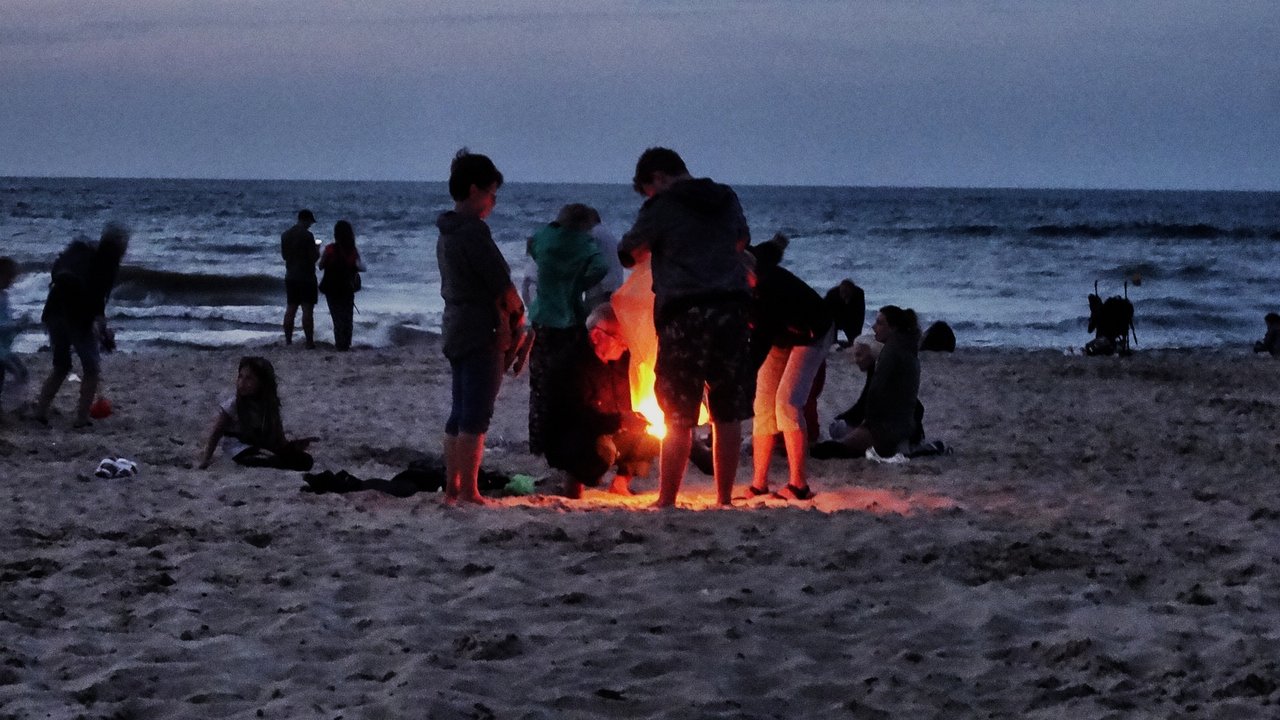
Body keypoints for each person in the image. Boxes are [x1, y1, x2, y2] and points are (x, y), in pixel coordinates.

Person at [618, 147, 754, 507]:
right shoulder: (726, 197)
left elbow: (629, 252)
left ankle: (667, 499)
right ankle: (724, 496)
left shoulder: (662, 205)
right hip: (732, 308)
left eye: (649, 190)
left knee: (677, 410)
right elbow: (741, 241)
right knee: (727, 407)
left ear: (658, 178)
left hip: (685, 312)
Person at [437, 149, 524, 505]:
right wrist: (517, 316)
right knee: (476, 412)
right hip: (479, 327)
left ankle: (453, 488)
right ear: (474, 190)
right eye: (490, 192)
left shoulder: (447, 232)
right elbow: (502, 286)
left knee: (460, 409)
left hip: (455, 324)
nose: (493, 200)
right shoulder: (473, 233)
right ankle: (469, 490)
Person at [741, 243, 834, 501]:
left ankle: (798, 485)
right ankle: (759, 484)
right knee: (763, 406)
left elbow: (760, 340)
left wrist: (742, 375)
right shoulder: (739, 285)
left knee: (787, 402)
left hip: (812, 332)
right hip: (780, 335)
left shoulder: (767, 288)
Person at [542, 304, 659, 498]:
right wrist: (620, 421)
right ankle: (573, 486)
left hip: (610, 429)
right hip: (574, 436)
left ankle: (621, 484)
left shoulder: (619, 363)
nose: (624, 345)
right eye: (620, 339)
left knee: (651, 434)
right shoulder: (571, 365)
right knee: (599, 448)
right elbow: (576, 416)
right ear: (597, 336)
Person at [526, 203, 609, 457]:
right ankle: (564, 439)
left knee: (540, 382)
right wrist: (580, 281)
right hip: (571, 317)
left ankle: (539, 441)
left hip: (542, 316)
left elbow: (531, 245)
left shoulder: (543, 237)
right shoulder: (585, 245)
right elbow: (601, 268)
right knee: (570, 383)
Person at [32, 224, 129, 428]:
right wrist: (103, 333)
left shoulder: (79, 254)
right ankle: (82, 418)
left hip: (53, 311)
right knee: (91, 368)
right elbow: (97, 302)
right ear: (119, 247)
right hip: (77, 318)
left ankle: (40, 412)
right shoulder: (106, 264)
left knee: (61, 366)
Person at [811, 307, 921, 458]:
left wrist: (866, 425)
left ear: (893, 328)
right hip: (900, 425)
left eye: (880, 323)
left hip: (885, 430)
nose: (874, 327)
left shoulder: (891, 353)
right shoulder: (906, 348)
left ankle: (907, 448)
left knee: (830, 449)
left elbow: (876, 394)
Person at [198, 356, 314, 470]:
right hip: (239, 448)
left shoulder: (269, 405)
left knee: (306, 460)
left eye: (249, 378)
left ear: (262, 383)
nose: (242, 382)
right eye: (240, 377)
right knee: (259, 459)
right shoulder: (234, 404)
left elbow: (279, 437)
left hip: (261, 446)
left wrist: (292, 447)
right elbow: (216, 433)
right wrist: (206, 458)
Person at [318, 220, 365, 351]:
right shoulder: (352, 250)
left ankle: (339, 343)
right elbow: (361, 267)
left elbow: (320, 266)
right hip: (347, 288)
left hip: (331, 288)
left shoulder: (330, 249)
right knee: (347, 317)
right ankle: (347, 343)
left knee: (336, 316)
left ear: (335, 234)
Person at [281, 209, 320, 348]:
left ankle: (288, 340)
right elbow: (312, 258)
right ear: (306, 220)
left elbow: (284, 256)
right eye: (310, 222)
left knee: (291, 308)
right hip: (306, 276)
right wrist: (318, 250)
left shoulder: (285, 235)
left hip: (291, 275)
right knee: (307, 309)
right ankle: (309, 341)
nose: (310, 225)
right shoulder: (307, 236)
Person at [0, 257, 29, 418]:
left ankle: (10, 406)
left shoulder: (4, 296)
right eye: (8, 278)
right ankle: (11, 406)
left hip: (4, 348)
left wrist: (18, 325)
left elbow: (5, 321)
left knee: (21, 373)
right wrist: (15, 326)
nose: (11, 282)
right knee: (18, 373)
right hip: (1, 350)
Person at [584, 207, 626, 310]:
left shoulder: (592, 234)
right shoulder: (606, 232)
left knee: (591, 320)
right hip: (615, 285)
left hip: (601, 288)